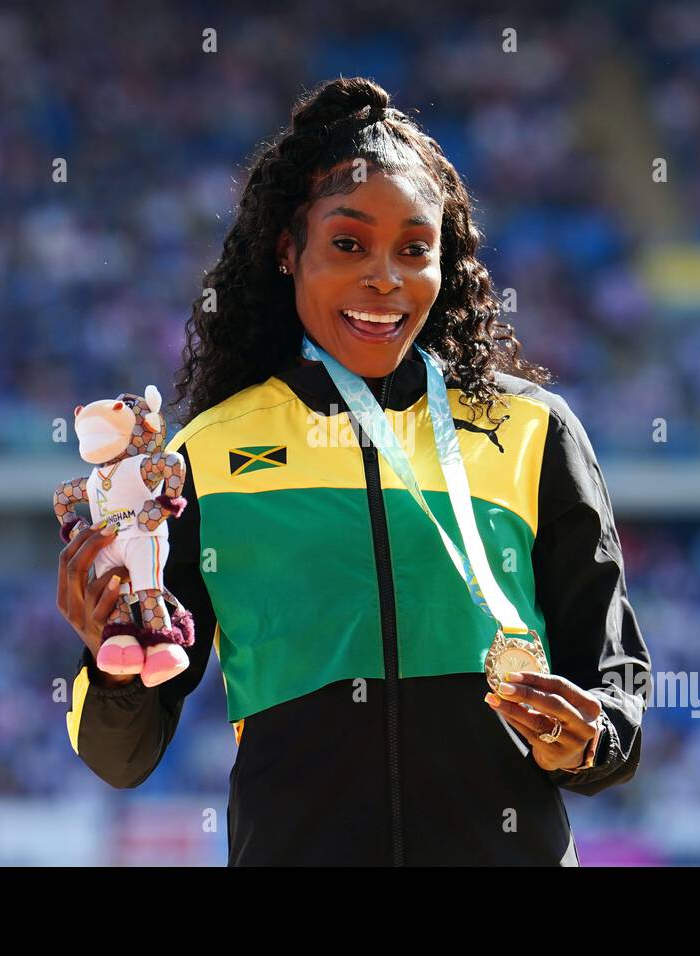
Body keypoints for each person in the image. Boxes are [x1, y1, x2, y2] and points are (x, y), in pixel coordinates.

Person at [57, 77, 651, 866]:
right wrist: (112, 663)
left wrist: (588, 739)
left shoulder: (535, 431)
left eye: (415, 249)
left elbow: (616, 693)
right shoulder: (202, 455)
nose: (386, 278)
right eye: (349, 244)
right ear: (286, 251)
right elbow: (121, 757)